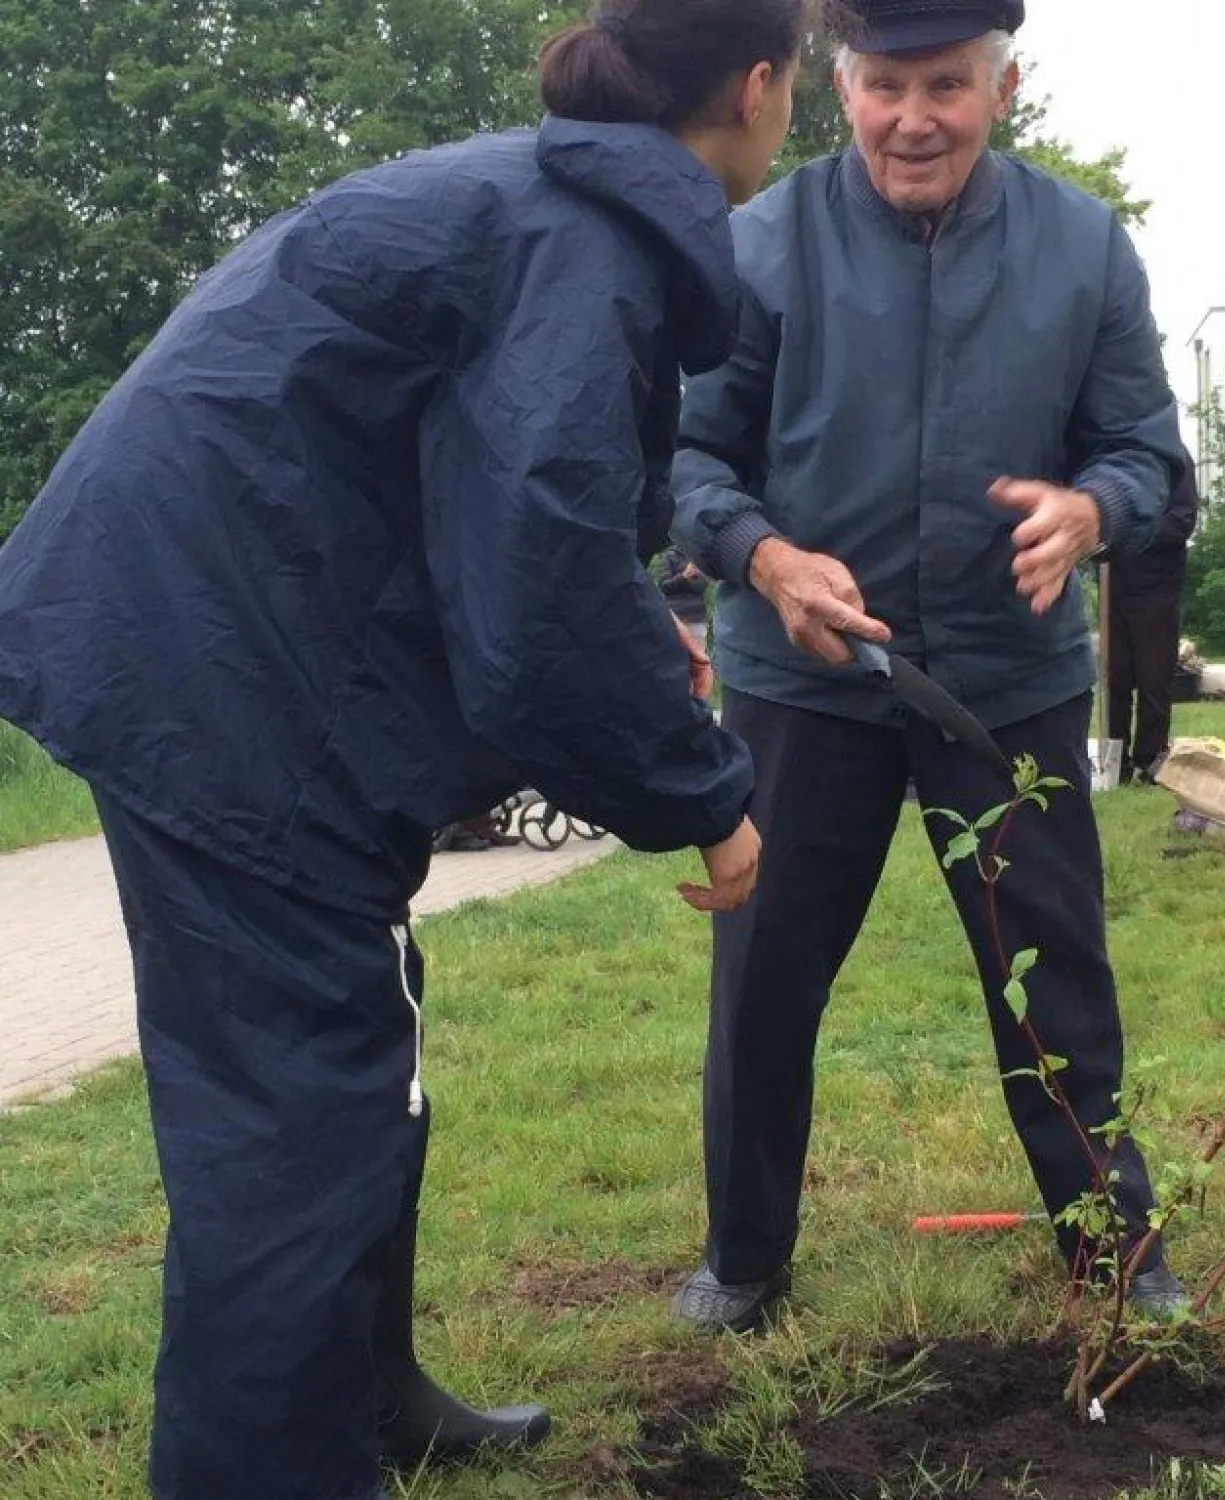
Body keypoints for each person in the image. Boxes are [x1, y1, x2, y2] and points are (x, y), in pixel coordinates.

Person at [0, 3, 809, 1497]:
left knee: (358, 1037)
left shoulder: (534, 201)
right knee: (297, 1111)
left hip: (217, 640)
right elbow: (544, 580)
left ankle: (367, 1392)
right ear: (758, 89)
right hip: (218, 671)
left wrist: (639, 655)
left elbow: (491, 519)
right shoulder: (585, 244)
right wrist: (706, 796)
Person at [668, 0, 1188, 1335]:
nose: (916, 119)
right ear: (841, 89)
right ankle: (743, 1261)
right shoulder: (758, 246)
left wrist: (1091, 513)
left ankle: (1108, 1249)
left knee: (1057, 981)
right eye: (888, 86)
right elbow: (684, 461)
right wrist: (768, 557)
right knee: (765, 980)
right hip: (798, 687)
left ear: (1003, 87)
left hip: (1006, 680)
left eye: (947, 86)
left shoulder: (1083, 249)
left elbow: (1146, 456)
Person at [1106, 454, 1199, 782]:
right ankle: (1113, 763)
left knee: (1153, 677)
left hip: (1157, 588)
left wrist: (1134, 534)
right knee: (1114, 677)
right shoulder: (1119, 456)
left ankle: (1150, 761)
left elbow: (1182, 520)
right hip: (1114, 585)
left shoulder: (1175, 462)